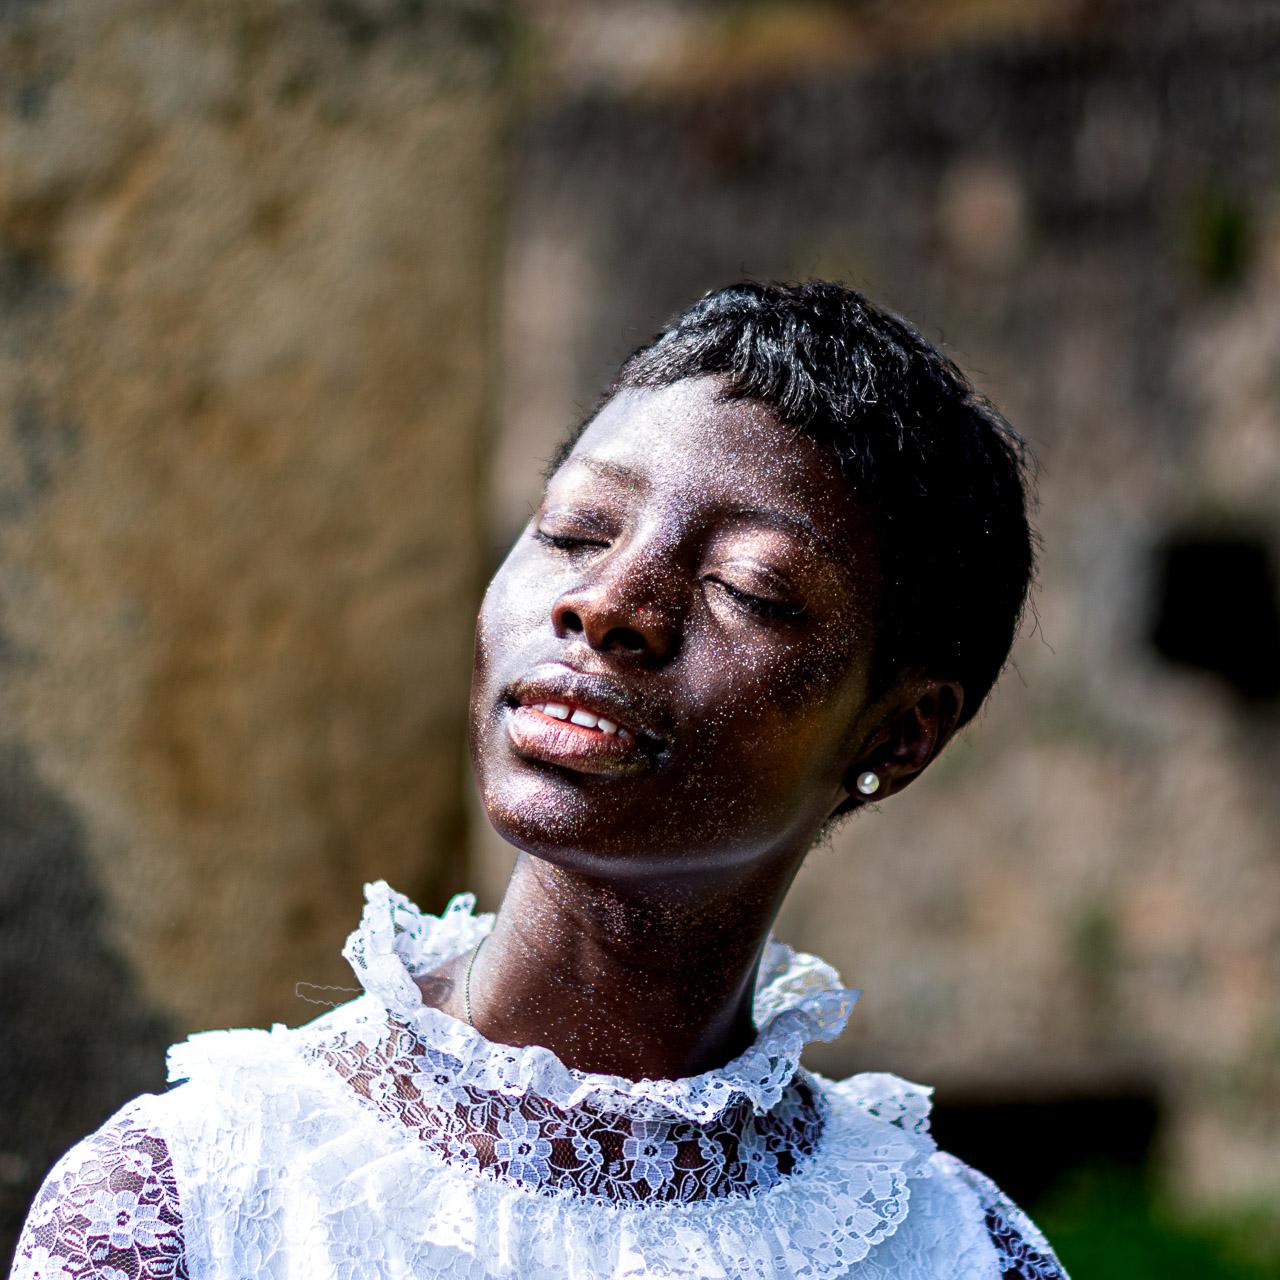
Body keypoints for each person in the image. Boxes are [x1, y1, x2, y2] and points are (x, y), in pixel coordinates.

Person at [11, 282, 1069, 1279]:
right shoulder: (189, 1206)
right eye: (572, 529)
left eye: (744, 585)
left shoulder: (948, 1248)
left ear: (900, 731)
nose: (606, 599)